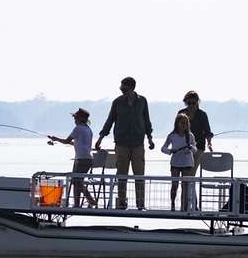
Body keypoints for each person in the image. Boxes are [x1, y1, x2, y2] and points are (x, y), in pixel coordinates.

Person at [95, 77, 154, 210]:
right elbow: (109, 121)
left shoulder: (142, 101)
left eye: (125, 88)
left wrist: (150, 138)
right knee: (122, 174)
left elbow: (146, 120)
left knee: (139, 174)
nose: (122, 90)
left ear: (132, 87)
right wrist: (100, 138)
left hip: (138, 143)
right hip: (121, 143)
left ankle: (140, 204)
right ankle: (122, 203)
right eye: (121, 88)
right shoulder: (117, 102)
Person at [48, 108, 97, 208]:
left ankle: (90, 200)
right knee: (77, 181)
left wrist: (56, 138)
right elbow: (76, 143)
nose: (74, 120)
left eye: (75, 118)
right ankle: (78, 203)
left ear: (80, 119)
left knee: (76, 181)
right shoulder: (88, 129)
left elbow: (67, 141)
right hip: (86, 158)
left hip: (82, 159)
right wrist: (57, 140)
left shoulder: (78, 128)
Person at [162, 113, 197, 211]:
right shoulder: (172, 135)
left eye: (186, 123)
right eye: (182, 123)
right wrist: (170, 151)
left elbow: (195, 149)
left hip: (187, 162)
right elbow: (163, 148)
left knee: (185, 184)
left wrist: (190, 148)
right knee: (174, 184)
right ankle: (172, 204)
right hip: (175, 163)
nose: (184, 125)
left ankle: (184, 206)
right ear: (177, 123)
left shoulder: (190, 136)